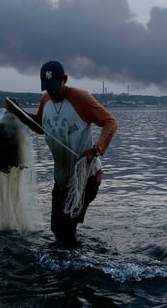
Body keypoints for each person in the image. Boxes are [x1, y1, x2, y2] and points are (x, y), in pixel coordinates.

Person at [7, 60, 118, 247]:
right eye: (48, 88)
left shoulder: (81, 99)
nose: (52, 92)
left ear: (65, 79)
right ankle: (72, 264)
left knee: (66, 230)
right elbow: (42, 128)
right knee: (57, 229)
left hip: (86, 177)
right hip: (62, 179)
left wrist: (96, 149)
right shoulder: (46, 100)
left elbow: (110, 122)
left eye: (56, 87)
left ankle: (77, 270)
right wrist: (19, 112)